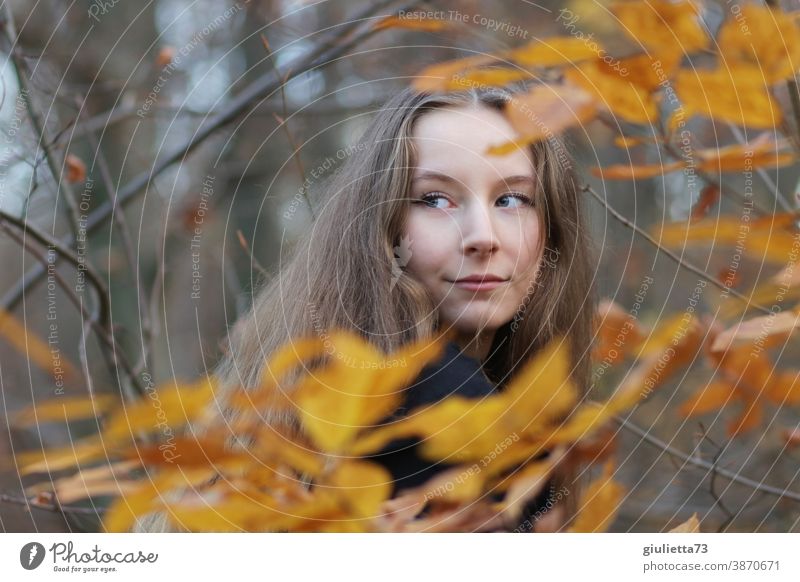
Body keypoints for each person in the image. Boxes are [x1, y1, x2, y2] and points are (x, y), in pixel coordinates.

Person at [136, 84, 595, 532]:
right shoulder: (453, 415)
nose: (483, 236)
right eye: (435, 199)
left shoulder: (317, 383)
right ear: (383, 226)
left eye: (511, 199)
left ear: (552, 225)